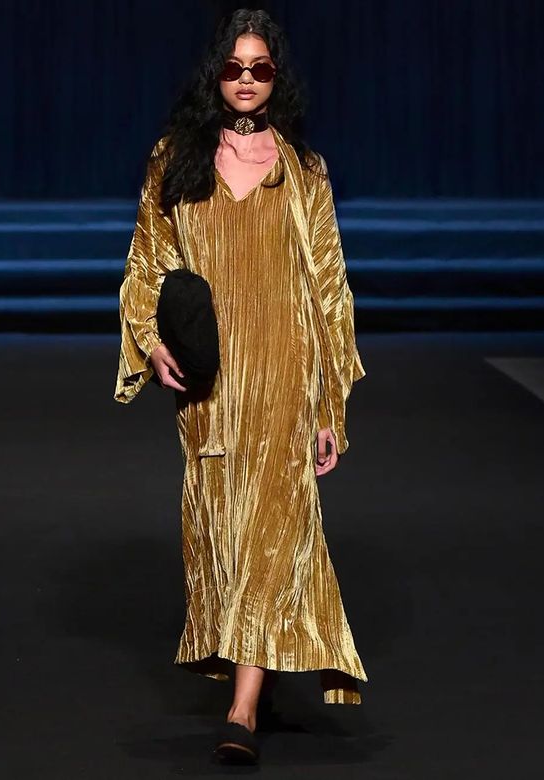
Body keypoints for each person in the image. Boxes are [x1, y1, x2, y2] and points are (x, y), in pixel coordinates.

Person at [114, 7, 368, 765]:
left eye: (260, 68)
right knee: (222, 528)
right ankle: (251, 662)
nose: (247, 80)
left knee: (271, 528)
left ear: (276, 77)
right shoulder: (175, 159)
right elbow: (147, 263)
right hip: (212, 379)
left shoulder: (304, 171)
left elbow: (329, 290)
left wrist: (328, 404)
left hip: (285, 372)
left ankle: (243, 707)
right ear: (215, 76)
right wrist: (153, 341)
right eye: (234, 68)